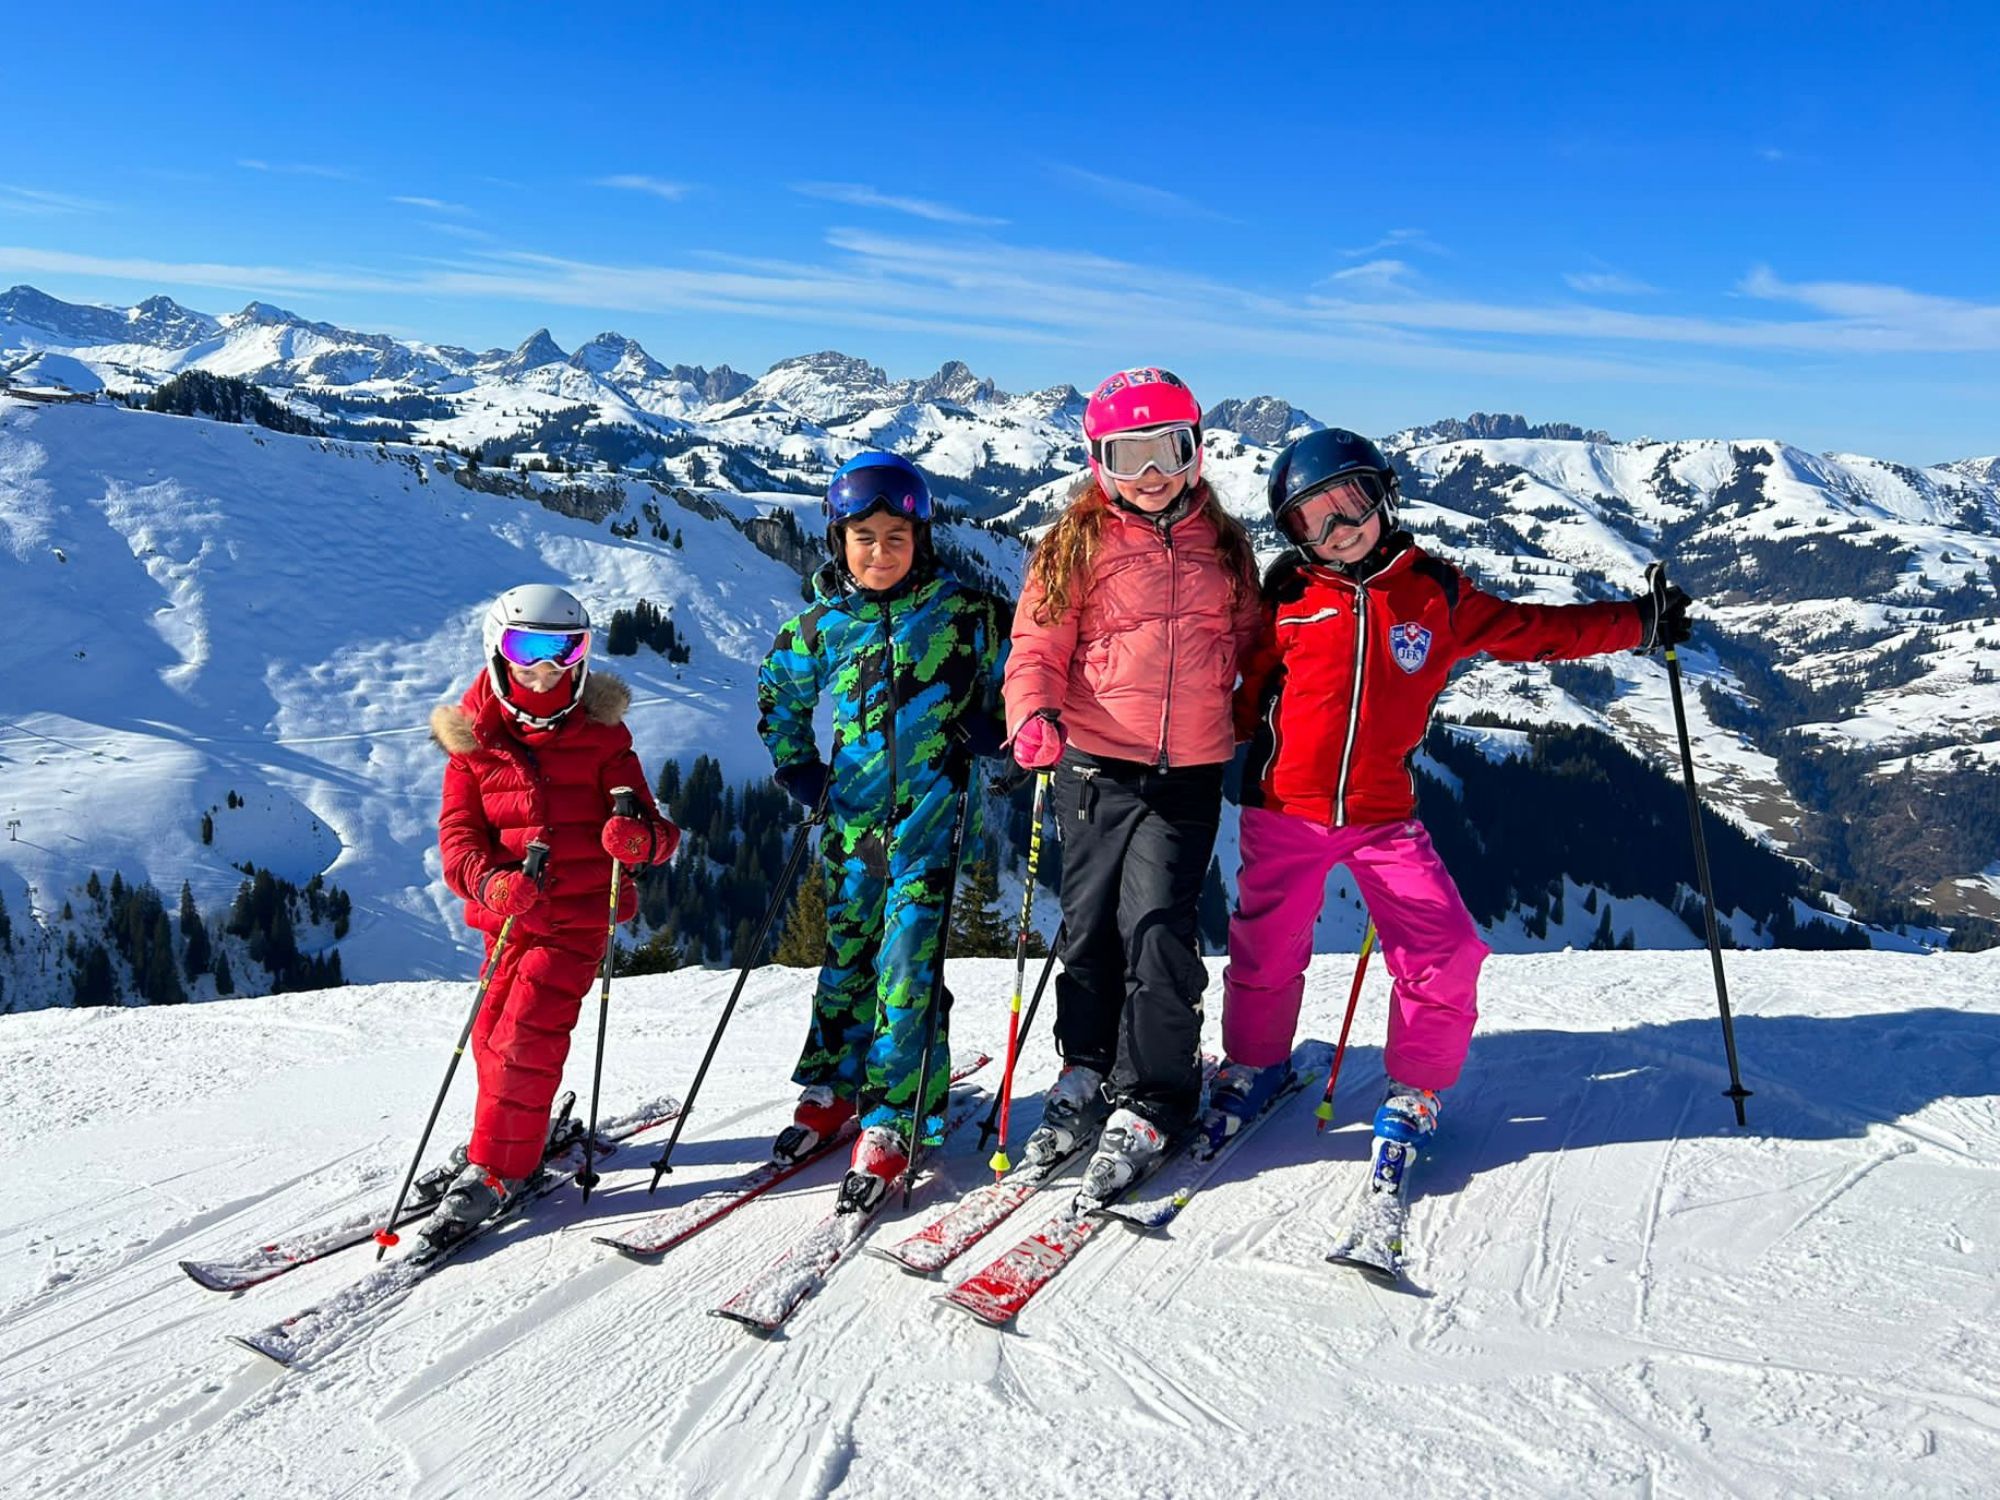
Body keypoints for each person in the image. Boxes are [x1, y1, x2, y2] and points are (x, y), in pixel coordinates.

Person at [1215, 428, 1693, 1167]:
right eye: (1315, 519)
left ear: (1384, 496)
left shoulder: (1434, 592)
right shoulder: (1287, 596)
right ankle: (1254, 1063)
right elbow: (1239, 694)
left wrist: (1637, 623)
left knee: (1443, 951)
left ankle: (1417, 1088)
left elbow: (1533, 633)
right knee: (1265, 949)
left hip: (1383, 817)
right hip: (1283, 812)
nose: (1340, 530)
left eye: (1351, 504)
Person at [1003, 368, 1263, 1200]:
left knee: (1156, 929)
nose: (1152, 472)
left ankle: (1154, 1091)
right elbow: (1036, 648)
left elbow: (1259, 645)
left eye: (1168, 449)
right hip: (1095, 762)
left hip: (1186, 768)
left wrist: (1265, 714)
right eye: (1131, 453)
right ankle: (1085, 1067)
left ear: (1196, 451)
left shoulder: (1224, 548)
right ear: (1098, 461)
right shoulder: (1073, 547)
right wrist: (1034, 713)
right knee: (1088, 930)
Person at [757, 452, 1009, 1211]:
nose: (879, 551)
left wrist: (993, 726)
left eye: (895, 535)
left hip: (931, 824)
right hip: (851, 826)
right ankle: (835, 1089)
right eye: (862, 536)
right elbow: (780, 694)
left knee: (907, 966)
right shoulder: (820, 626)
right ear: (838, 540)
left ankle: (896, 1115)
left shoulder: (966, 615)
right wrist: (800, 769)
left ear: (921, 537)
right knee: (846, 958)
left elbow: (1024, 674)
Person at [426, 583, 681, 1247]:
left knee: (523, 1040)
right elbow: (458, 842)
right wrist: (492, 885)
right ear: (498, 652)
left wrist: (637, 841)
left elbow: (658, 830)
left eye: (564, 651)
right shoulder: (473, 744)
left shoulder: (602, 739)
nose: (546, 668)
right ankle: (507, 1134)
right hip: (511, 922)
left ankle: (501, 1167)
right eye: (526, 649)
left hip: (576, 922)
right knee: (490, 1036)